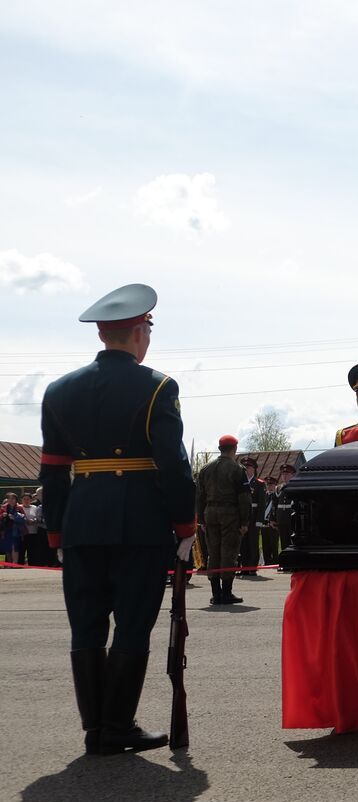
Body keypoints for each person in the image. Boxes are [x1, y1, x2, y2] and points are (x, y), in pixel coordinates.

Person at [38, 283, 197, 755]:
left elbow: (52, 469)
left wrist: (57, 529)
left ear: (102, 334)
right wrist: (185, 526)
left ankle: (95, 729)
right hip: (140, 524)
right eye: (147, 328)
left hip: (83, 520)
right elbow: (172, 465)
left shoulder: (58, 390)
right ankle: (118, 724)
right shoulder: (158, 386)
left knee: (86, 624)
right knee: (132, 623)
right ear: (138, 332)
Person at [196, 435, 252, 605]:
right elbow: (244, 498)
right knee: (229, 551)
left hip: (210, 513)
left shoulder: (205, 469)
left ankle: (216, 593)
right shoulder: (237, 470)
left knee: (213, 551)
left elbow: (200, 497)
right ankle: (226, 593)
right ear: (234, 449)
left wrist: (202, 520)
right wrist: (244, 522)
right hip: (230, 514)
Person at [237, 455, 266, 577]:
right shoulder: (241, 483)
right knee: (243, 543)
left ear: (253, 469)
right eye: (244, 468)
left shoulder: (259, 484)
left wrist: (260, 520)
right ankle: (244, 566)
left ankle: (252, 567)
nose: (246, 470)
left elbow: (262, 504)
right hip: (243, 517)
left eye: (248, 467)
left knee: (253, 542)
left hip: (254, 517)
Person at [0, 492, 24, 564]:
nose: (11, 500)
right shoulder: (3, 507)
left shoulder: (19, 507)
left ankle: (15, 564)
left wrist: (14, 518)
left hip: (16, 530)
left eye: (13, 498)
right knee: (7, 548)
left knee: (15, 547)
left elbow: (23, 518)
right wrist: (2, 516)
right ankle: (10, 564)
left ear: (16, 500)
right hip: (5, 530)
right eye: (9, 498)